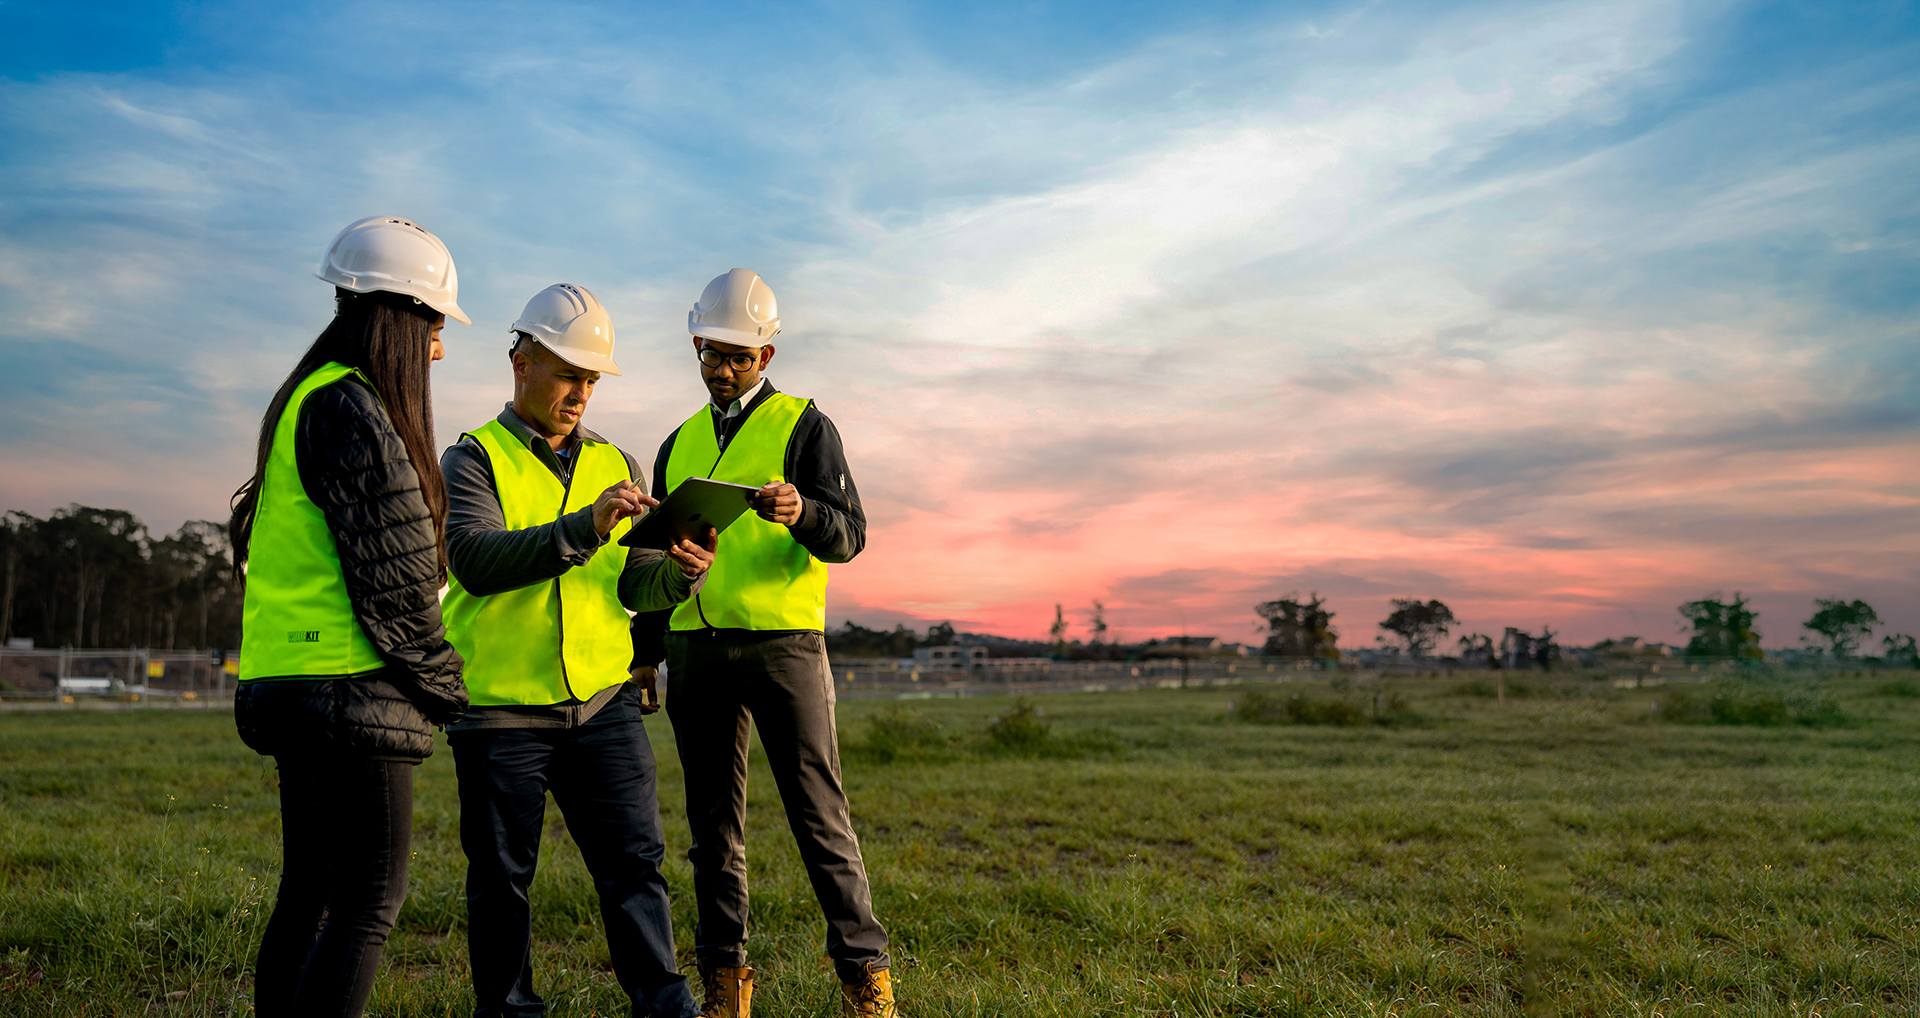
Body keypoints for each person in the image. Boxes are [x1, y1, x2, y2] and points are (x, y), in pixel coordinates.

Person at [440, 283, 717, 1018]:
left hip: (603, 704)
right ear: (520, 362)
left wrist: (679, 577)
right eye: (567, 372)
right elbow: (474, 559)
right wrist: (585, 528)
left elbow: (632, 587)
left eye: (591, 378)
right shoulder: (472, 459)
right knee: (501, 880)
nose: (580, 392)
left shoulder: (614, 460)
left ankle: (665, 1008)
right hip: (500, 712)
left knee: (636, 869)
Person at [230, 215, 473, 1018]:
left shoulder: (305, 397)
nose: (440, 348)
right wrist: (448, 691)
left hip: (291, 680)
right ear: (405, 318)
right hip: (350, 690)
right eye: (437, 325)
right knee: (368, 902)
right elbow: (401, 590)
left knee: (310, 893)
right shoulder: (355, 410)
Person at [640, 268, 892, 1018]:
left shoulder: (806, 426)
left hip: (784, 647)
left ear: (766, 358)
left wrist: (803, 511)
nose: (722, 369)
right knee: (711, 829)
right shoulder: (676, 442)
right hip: (696, 650)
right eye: (710, 353)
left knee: (820, 817)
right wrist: (646, 651)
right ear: (696, 345)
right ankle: (725, 982)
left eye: (738, 357)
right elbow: (655, 555)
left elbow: (850, 534)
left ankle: (865, 979)